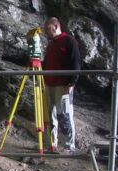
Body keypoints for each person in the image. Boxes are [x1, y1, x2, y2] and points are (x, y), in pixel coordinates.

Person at [43, 17, 81, 152]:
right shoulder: (51, 44)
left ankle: (69, 146)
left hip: (63, 85)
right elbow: (46, 63)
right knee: (50, 115)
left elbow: (76, 63)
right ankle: (52, 144)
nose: (45, 32)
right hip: (49, 84)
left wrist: (72, 83)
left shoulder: (69, 41)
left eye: (47, 28)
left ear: (55, 26)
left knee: (64, 114)